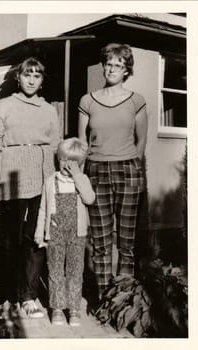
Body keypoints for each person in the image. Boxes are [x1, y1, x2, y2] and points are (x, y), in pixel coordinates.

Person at [0, 57, 60, 319]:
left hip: (42, 178)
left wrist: (56, 186)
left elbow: (55, 147)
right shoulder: (2, 106)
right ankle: (8, 295)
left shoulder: (49, 110)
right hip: (11, 178)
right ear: (18, 77)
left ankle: (28, 297)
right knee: (9, 240)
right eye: (27, 74)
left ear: (42, 80)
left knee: (36, 238)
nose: (31, 80)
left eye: (37, 75)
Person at [78, 43, 148, 301]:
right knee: (101, 242)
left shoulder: (136, 100)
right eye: (108, 64)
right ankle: (103, 299)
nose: (112, 69)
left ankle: (124, 299)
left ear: (126, 70)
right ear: (103, 66)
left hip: (128, 171)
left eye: (118, 65)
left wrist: (133, 165)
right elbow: (82, 143)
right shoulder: (87, 100)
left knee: (127, 242)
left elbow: (141, 141)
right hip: (96, 170)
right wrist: (79, 176)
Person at [35, 138, 95, 326]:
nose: (66, 165)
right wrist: (39, 233)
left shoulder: (82, 180)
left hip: (77, 235)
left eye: (72, 162)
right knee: (55, 271)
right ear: (58, 159)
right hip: (55, 233)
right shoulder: (51, 181)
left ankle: (74, 309)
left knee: (76, 271)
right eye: (63, 160)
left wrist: (77, 176)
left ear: (80, 164)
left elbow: (90, 198)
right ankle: (58, 309)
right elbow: (43, 209)